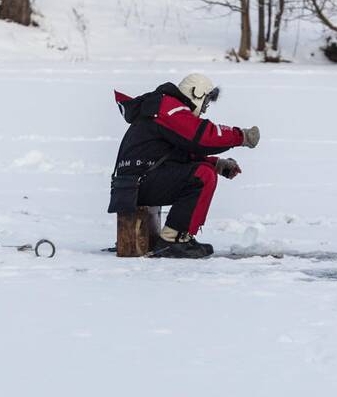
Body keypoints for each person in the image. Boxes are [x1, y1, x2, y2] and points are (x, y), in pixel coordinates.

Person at [109, 73, 260, 258]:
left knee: (205, 171)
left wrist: (217, 164)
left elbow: (179, 154)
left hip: (134, 184)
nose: (204, 109)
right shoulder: (169, 108)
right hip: (136, 185)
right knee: (202, 176)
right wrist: (241, 136)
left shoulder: (165, 107)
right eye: (205, 101)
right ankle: (174, 240)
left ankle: (179, 237)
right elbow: (203, 136)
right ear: (196, 93)